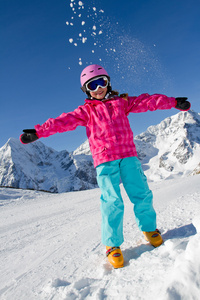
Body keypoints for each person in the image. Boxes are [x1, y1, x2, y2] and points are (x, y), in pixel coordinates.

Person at [20, 64, 191, 268]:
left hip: (128, 155)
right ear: (86, 90)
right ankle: (112, 245)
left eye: (102, 82)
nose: (99, 88)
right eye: (93, 85)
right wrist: (39, 132)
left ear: (108, 82)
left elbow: (147, 101)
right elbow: (62, 122)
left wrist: (172, 102)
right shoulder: (86, 111)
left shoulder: (122, 102)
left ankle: (149, 229)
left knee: (142, 194)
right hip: (105, 160)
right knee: (112, 202)